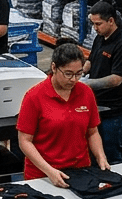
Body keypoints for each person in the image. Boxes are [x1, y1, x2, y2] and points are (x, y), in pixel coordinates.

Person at [17, 39, 109, 186]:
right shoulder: (34, 97)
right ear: (54, 67)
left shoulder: (86, 93)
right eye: (68, 74)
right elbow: (24, 141)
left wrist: (101, 157)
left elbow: (92, 132)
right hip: (42, 176)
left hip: (79, 171)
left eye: (78, 74)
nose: (73, 80)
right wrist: (49, 171)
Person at [84, 0, 122, 164]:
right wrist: (77, 72)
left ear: (111, 21)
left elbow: (116, 79)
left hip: (113, 110)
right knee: (94, 152)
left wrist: (86, 84)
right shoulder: (100, 37)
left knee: (111, 155)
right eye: (93, 24)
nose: (95, 28)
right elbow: (91, 61)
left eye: (98, 24)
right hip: (95, 104)